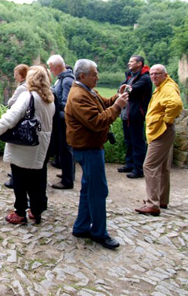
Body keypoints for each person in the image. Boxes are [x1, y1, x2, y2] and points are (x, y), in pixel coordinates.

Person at [65, 59, 129, 250]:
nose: (98, 77)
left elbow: (102, 105)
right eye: (95, 74)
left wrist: (118, 96)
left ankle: (81, 226)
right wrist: (117, 106)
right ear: (83, 76)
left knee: (88, 189)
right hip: (88, 149)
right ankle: (99, 232)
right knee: (98, 191)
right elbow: (97, 121)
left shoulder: (86, 91)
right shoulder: (79, 95)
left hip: (90, 147)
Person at [0, 66, 55, 224]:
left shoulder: (29, 96)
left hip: (24, 145)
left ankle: (20, 212)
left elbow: (10, 117)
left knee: (20, 179)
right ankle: (36, 211)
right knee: (37, 180)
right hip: (41, 145)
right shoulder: (49, 99)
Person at [135, 65, 183, 216]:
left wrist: (167, 120)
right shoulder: (163, 85)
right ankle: (161, 199)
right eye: (152, 74)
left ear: (165, 74)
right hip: (162, 131)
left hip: (161, 132)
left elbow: (176, 104)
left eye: (157, 74)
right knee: (163, 167)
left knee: (149, 166)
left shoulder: (167, 87)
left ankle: (152, 204)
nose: (154, 76)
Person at [117, 55, 152, 179]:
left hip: (136, 114)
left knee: (137, 142)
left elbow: (132, 89)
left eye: (131, 61)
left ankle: (139, 168)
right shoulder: (130, 75)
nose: (129, 63)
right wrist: (124, 89)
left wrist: (125, 89)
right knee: (128, 141)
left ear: (139, 63)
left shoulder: (145, 78)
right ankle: (130, 164)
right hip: (127, 114)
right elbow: (121, 88)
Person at [47, 55, 75, 190]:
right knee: (63, 148)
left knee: (65, 149)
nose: (51, 70)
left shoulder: (66, 81)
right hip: (60, 119)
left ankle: (68, 179)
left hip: (63, 120)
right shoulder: (61, 79)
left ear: (59, 66)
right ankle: (66, 173)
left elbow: (67, 103)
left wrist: (53, 109)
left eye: (52, 68)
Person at [3, 64, 29, 189]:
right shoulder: (28, 86)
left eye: (17, 74)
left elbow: (10, 102)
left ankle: (15, 179)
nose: (15, 76)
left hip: (19, 121)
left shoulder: (21, 88)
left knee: (15, 151)